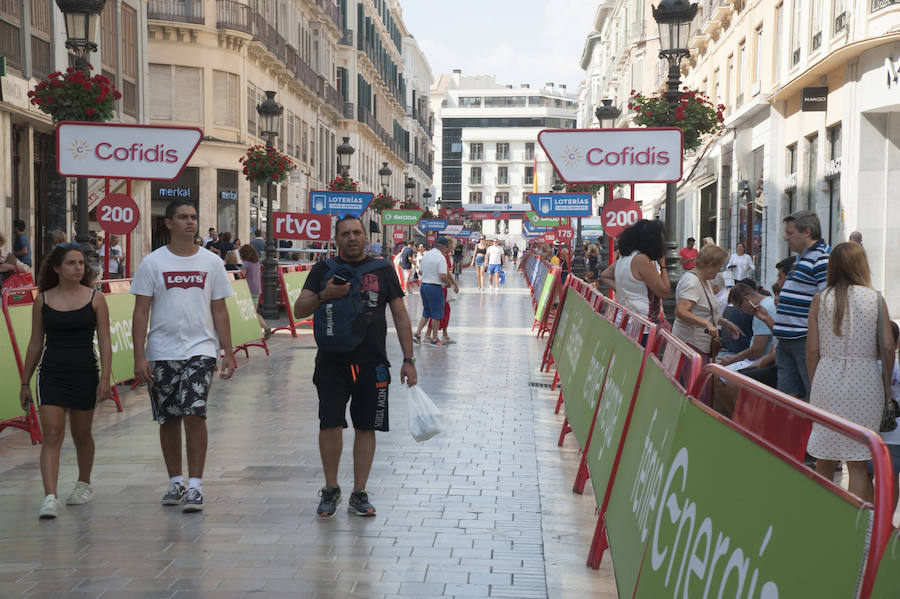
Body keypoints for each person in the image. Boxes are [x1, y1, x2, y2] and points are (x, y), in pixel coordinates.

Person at [292, 215, 417, 517]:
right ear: (336, 239)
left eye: (357, 233)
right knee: (330, 423)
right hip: (331, 361)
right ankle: (331, 488)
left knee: (366, 427)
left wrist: (409, 359)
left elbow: (400, 315)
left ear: (365, 237)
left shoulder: (383, 270)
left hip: (372, 362)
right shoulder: (323, 270)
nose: (352, 238)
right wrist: (325, 295)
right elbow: (298, 309)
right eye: (345, 234)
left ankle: (359, 492)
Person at [131, 199, 235, 513]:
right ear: (168, 223)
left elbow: (220, 309)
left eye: (193, 217)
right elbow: (140, 313)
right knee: (169, 416)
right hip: (162, 351)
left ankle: (195, 485)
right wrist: (139, 356)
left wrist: (227, 351)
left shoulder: (212, 262)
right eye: (182, 217)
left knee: (195, 410)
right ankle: (175, 480)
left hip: (200, 350)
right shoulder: (152, 263)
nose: (190, 222)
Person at [19, 243, 112, 518]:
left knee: (82, 434)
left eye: (81, 263)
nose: (78, 268)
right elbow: (35, 343)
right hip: (51, 374)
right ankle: (50, 496)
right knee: (52, 434)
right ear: (57, 268)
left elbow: (106, 341)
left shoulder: (95, 298)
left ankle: (84, 483)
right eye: (71, 263)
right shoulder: (42, 300)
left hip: (85, 372)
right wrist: (25, 382)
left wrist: (105, 377)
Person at [806, 242, 889, 501]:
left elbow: (811, 350)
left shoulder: (821, 299)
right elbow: (887, 346)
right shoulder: (875, 299)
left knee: (824, 456)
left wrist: (814, 382)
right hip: (866, 381)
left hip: (827, 377)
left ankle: (822, 516)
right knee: (858, 462)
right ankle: (856, 526)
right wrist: (886, 385)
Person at [774, 210, 831, 399]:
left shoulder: (822, 258)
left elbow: (827, 302)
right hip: (787, 339)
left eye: (790, 233)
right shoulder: (801, 258)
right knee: (789, 398)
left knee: (811, 395)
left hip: (803, 339)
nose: (785, 238)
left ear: (807, 232)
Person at [672, 244, 742, 367]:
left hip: (699, 345)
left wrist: (725, 323)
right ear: (710, 266)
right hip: (691, 344)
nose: (719, 270)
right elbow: (681, 311)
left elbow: (703, 311)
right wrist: (707, 324)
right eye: (719, 266)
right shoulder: (692, 281)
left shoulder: (704, 280)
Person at [600, 219, 670, 326]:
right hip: (642, 323)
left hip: (625, 319)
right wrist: (663, 266)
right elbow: (664, 292)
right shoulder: (641, 260)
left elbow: (605, 275)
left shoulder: (625, 258)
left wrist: (623, 291)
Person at [414, 236, 457, 346]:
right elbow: (442, 275)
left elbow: (420, 272)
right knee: (436, 314)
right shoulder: (441, 257)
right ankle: (434, 339)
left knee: (426, 313)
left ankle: (417, 334)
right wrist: (449, 283)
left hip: (424, 286)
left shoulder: (427, 255)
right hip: (434, 287)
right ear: (443, 246)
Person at [238, 244, 272, 340]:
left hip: (249, 290)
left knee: (252, 312)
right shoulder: (256, 263)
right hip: (257, 290)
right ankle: (261, 329)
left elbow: (241, 275)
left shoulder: (246, 263)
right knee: (253, 311)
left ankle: (265, 327)